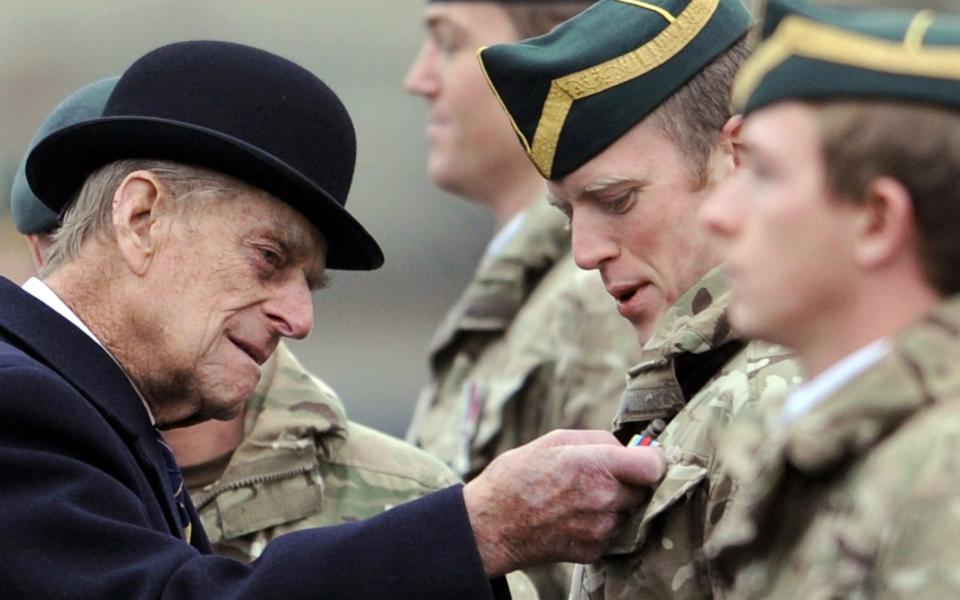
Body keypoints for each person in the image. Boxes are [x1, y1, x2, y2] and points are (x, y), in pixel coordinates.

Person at [0, 40, 666, 599]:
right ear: (141, 218)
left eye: (310, 283)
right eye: (268, 257)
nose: (299, 318)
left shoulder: (87, 408)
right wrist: (481, 527)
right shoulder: (20, 403)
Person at [478, 0, 800, 597]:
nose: (585, 250)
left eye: (617, 199)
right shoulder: (698, 383)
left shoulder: (779, 398)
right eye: (568, 211)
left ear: (740, 156)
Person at [697, 0, 960, 596]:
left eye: (762, 174)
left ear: (876, 221)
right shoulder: (836, 439)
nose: (717, 213)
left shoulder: (942, 476)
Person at [404, 2, 642, 593]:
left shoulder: (598, 293)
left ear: (553, 56)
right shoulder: (525, 292)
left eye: (449, 43)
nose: (419, 78)